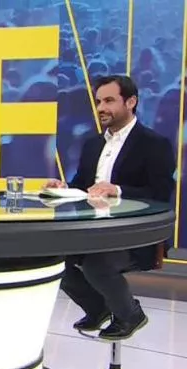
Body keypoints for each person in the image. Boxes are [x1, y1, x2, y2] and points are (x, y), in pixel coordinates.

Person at [45, 75, 175, 340]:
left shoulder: (154, 144)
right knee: (53, 259)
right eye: (98, 102)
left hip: (133, 235)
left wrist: (118, 190)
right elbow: (83, 186)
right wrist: (63, 187)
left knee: (97, 266)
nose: (101, 108)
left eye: (109, 101)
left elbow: (160, 193)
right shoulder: (93, 144)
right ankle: (99, 309)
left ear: (131, 102)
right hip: (93, 232)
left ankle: (130, 314)